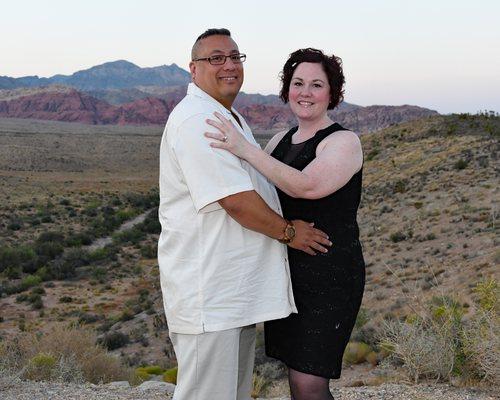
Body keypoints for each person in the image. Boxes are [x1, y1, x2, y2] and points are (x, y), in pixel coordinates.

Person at [158, 30, 331, 400]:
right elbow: (234, 200)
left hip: (230, 293)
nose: (229, 66)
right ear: (193, 69)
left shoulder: (224, 115)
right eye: (215, 58)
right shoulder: (197, 120)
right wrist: (290, 233)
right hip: (210, 294)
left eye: (235, 57)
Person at [205, 48, 365, 400]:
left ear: (332, 92)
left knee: (310, 382)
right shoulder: (280, 141)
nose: (305, 92)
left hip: (330, 274)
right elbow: (261, 188)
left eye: (316, 84)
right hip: (288, 271)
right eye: (298, 83)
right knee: (296, 377)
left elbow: (306, 186)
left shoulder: (343, 142)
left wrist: (245, 148)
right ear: (287, 89)